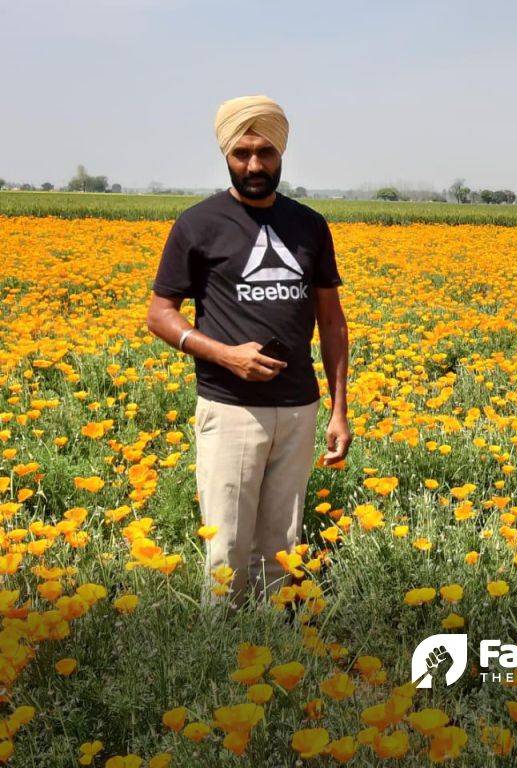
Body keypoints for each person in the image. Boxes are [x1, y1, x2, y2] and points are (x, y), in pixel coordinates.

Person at [145, 94, 352, 609]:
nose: (254, 165)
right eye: (242, 154)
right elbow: (160, 314)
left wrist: (340, 408)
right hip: (230, 408)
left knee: (281, 548)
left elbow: (331, 320)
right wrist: (222, 354)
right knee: (227, 548)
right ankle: (218, 655)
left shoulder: (309, 226)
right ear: (226, 156)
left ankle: (269, 650)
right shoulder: (198, 225)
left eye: (265, 153)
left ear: (281, 154)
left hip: (299, 407)